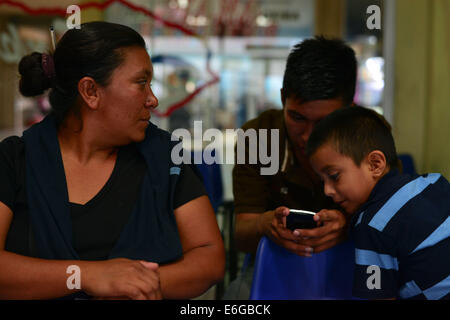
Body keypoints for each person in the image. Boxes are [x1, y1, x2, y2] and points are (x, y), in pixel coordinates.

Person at [0, 21, 225, 300]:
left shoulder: (166, 158)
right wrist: (89, 276)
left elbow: (210, 256)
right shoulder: (15, 160)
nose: (153, 100)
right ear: (91, 92)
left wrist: (134, 285)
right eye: (141, 83)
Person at [225, 37, 357, 299]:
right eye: (297, 118)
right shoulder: (260, 137)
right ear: (283, 97)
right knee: (238, 296)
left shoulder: (368, 136)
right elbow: (241, 235)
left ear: (350, 107)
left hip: (354, 258)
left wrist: (349, 225)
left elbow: (391, 224)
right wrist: (265, 224)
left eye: (324, 122)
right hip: (277, 260)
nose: (308, 136)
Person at [306, 106, 450, 300]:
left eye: (334, 176)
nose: (327, 191)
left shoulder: (370, 227)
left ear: (375, 164)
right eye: (322, 181)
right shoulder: (434, 182)